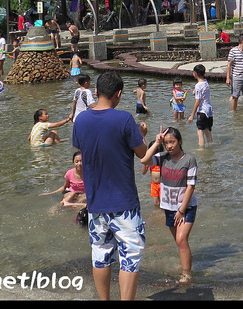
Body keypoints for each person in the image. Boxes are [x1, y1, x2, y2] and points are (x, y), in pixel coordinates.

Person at [71, 71, 149, 301]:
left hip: (95, 203)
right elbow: (143, 155)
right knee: (130, 258)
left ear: (96, 91)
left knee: (100, 255)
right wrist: (141, 134)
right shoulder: (124, 119)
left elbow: (84, 151)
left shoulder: (81, 120)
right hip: (124, 202)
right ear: (119, 94)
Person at [141, 126, 198, 284]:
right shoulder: (161, 157)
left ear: (179, 141)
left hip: (186, 207)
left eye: (172, 142)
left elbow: (190, 187)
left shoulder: (189, 160)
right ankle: (185, 267)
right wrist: (156, 142)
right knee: (180, 242)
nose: (169, 146)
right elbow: (144, 160)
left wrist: (181, 210)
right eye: (166, 143)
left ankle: (186, 275)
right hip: (168, 207)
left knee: (181, 239)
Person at [187, 65, 213, 147]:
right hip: (209, 110)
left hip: (202, 111)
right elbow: (203, 92)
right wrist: (195, 91)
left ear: (195, 73)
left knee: (200, 131)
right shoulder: (206, 82)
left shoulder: (198, 86)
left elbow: (197, 101)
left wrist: (192, 115)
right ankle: (210, 146)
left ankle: (201, 149)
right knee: (207, 131)